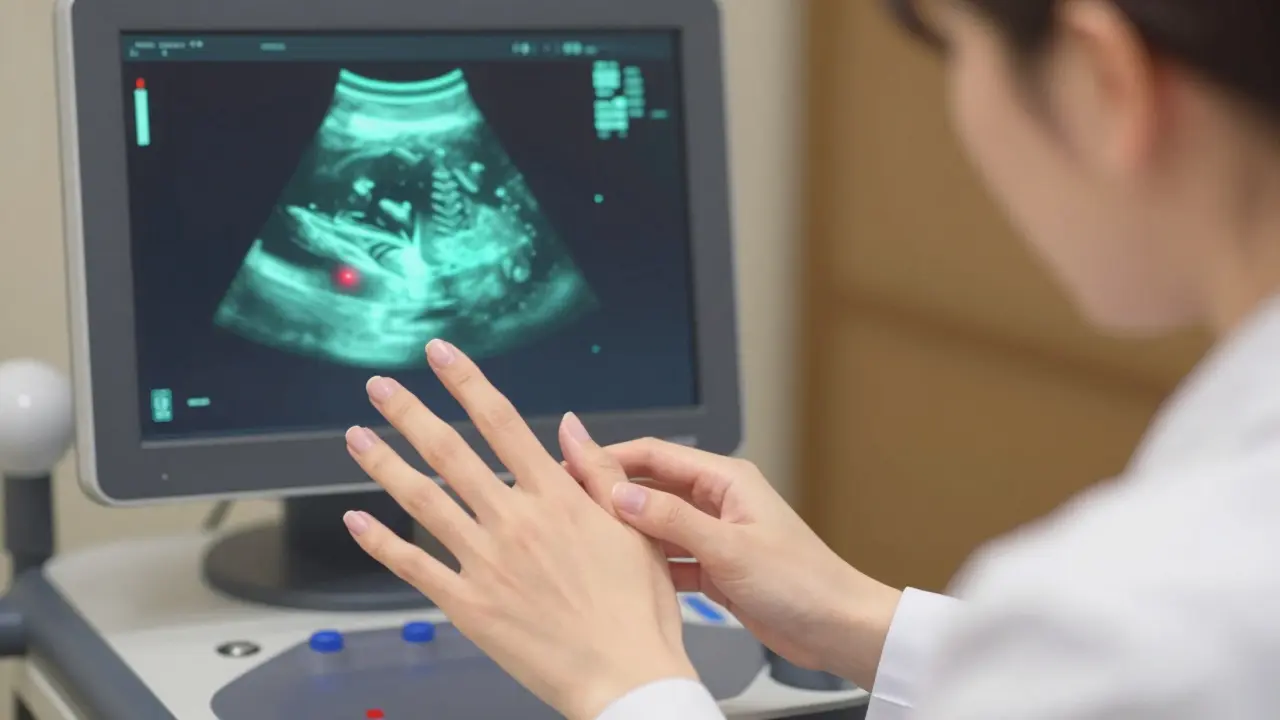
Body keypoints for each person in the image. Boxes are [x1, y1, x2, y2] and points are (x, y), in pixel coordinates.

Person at [338, 0, 1280, 717]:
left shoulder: (1154, 614)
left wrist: (623, 679)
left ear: (1100, 80)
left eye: (958, 51)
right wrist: (864, 622)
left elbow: (1144, 659)